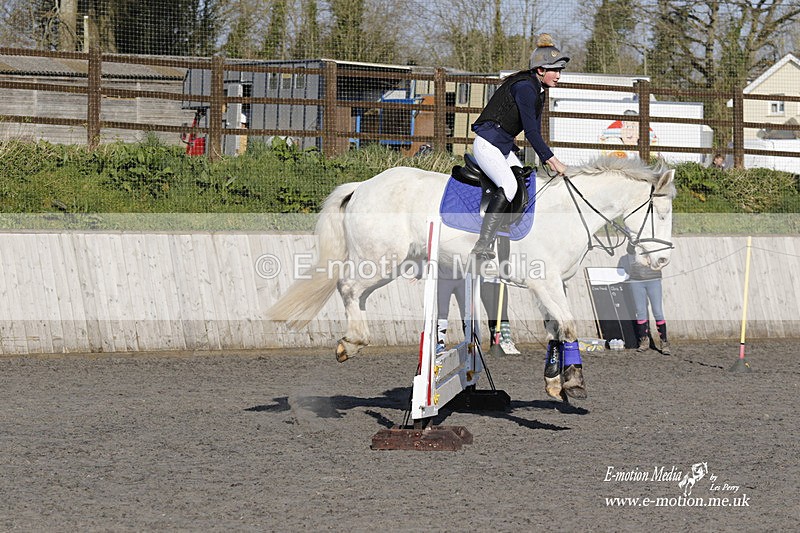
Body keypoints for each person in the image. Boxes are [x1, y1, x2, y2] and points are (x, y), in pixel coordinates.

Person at [469, 33, 569, 260]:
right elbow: (531, 131)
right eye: (555, 70)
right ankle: (482, 244)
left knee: (525, 179)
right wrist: (552, 160)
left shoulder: (538, 90)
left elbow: (532, 131)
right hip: (488, 145)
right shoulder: (525, 88)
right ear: (541, 70)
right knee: (509, 185)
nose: (559, 76)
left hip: (503, 147)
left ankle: (508, 230)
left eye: (560, 71)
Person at [619, 241, 671, 355]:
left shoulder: (654, 243)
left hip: (653, 279)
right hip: (636, 280)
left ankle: (664, 342)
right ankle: (644, 340)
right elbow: (630, 250)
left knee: (657, 311)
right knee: (640, 311)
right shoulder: (634, 243)